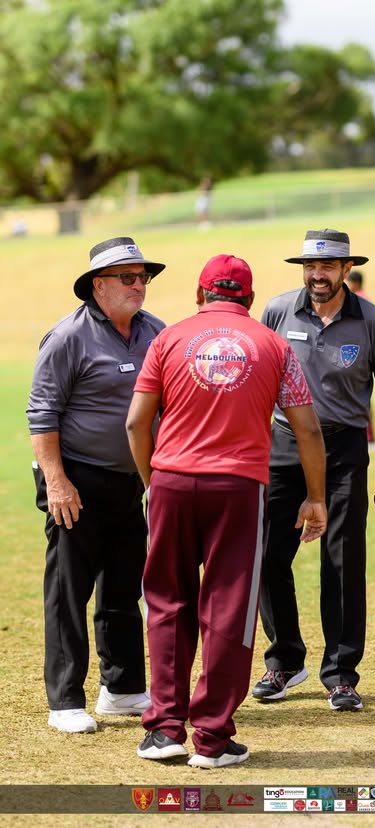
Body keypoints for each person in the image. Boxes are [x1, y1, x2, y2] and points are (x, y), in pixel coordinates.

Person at [125, 254, 327, 767]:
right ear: (250, 300)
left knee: (167, 601)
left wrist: (156, 482)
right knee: (228, 608)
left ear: (199, 295)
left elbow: (135, 424)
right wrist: (316, 496)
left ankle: (165, 730)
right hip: (239, 487)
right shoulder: (274, 345)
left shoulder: (168, 339)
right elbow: (307, 428)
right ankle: (212, 737)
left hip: (171, 480)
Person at [252, 228, 375, 712]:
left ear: (345, 270)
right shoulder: (278, 312)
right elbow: (255, 383)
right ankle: (284, 659)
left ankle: (340, 674)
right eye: (310, 267)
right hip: (283, 445)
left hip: (343, 450)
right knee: (266, 552)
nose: (317, 275)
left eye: (327, 267)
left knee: (341, 560)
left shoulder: (371, 321)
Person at [27, 237, 166, 733]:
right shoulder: (68, 336)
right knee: (69, 590)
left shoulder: (156, 331)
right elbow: (41, 414)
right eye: (128, 278)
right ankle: (65, 699)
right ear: (97, 285)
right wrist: (58, 482)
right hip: (76, 480)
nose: (139, 285)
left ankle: (123, 688)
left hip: (133, 481)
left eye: (143, 277)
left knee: (123, 586)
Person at [344, 269, 375, 449]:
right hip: (362, 351)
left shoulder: (358, 300)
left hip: (358, 352)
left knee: (361, 397)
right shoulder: (362, 298)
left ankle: (369, 437)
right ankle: (369, 437)